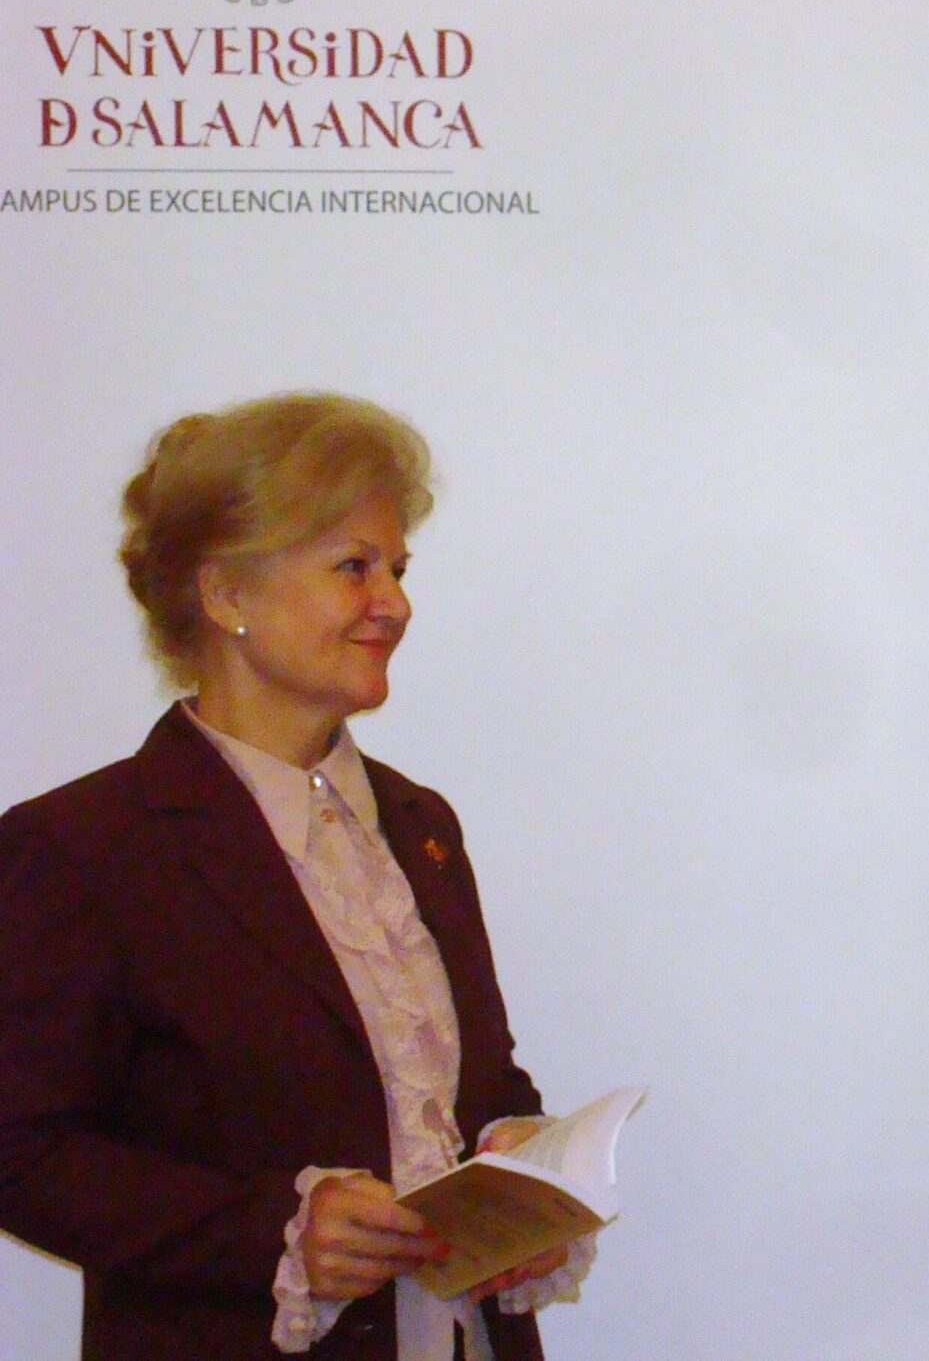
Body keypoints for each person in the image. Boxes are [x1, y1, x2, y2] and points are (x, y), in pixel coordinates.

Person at [0, 393, 589, 1359]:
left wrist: (517, 1167)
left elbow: (475, 1081)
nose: (394, 602)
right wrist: (277, 1231)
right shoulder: (82, 846)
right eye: (353, 567)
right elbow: (21, 1151)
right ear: (224, 595)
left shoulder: (419, 824)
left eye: (396, 569)